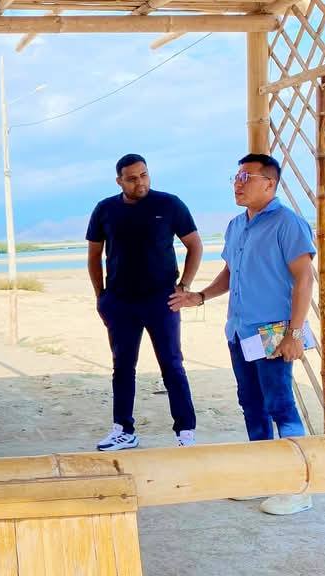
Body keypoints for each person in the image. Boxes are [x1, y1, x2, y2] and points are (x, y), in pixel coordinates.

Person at [169, 153, 315, 516]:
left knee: (279, 403)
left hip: (274, 331)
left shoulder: (288, 223)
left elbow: (304, 278)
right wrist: (200, 296)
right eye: (236, 177)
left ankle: (298, 487)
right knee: (251, 403)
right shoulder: (236, 225)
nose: (238, 183)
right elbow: (231, 273)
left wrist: (295, 334)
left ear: (270, 183)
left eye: (246, 177)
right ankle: (262, 476)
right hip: (239, 330)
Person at [88, 153, 203, 451]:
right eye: (132, 178)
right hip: (120, 302)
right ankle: (123, 430)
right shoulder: (105, 209)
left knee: (172, 364)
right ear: (119, 181)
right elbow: (94, 255)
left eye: (144, 175)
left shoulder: (169, 204)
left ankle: (185, 432)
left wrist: (184, 286)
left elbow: (194, 245)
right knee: (123, 366)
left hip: (162, 300)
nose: (140, 182)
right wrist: (101, 297)